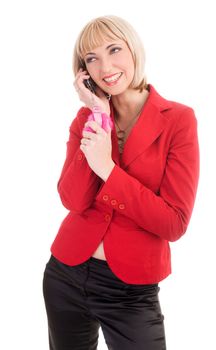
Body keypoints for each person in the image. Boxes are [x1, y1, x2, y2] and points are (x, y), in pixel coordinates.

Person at [42, 15, 199, 350]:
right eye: (91, 58)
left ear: (133, 50)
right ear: (83, 71)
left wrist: (108, 171)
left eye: (114, 49)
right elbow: (72, 199)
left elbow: (174, 223)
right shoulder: (88, 117)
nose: (105, 66)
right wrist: (98, 116)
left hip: (131, 291)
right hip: (66, 274)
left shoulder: (178, 121)